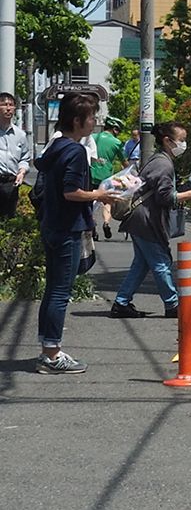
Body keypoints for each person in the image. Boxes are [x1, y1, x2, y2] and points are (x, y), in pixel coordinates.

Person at [33, 93, 110, 374]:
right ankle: (52, 354)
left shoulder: (56, 146)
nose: (94, 122)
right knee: (60, 292)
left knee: (53, 289)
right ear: (77, 121)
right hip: (67, 227)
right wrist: (100, 194)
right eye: (91, 117)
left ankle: (47, 348)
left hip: (52, 224)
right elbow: (71, 191)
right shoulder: (76, 151)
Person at [111, 123, 191, 319]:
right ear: (167, 140)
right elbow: (164, 197)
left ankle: (121, 302)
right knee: (161, 262)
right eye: (181, 140)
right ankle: (172, 304)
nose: (184, 145)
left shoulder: (158, 159)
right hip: (147, 220)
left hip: (141, 219)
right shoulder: (163, 164)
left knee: (142, 263)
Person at [91, 116, 127, 239]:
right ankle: (106, 222)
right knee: (107, 201)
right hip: (105, 177)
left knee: (90, 201)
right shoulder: (117, 143)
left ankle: (92, 224)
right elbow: (125, 162)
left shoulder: (92, 137)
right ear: (115, 129)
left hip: (90, 174)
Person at [0, 91, 31, 219]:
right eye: (4, 104)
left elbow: (25, 158)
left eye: (11, 105)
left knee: (9, 219)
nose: (8, 108)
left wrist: (22, 171)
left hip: (11, 183)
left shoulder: (20, 135)